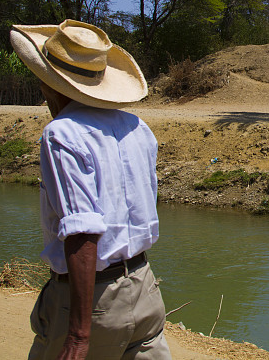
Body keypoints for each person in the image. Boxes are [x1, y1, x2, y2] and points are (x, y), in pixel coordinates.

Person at [10, 19, 172, 360]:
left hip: (93, 302)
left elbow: (83, 232)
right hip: (144, 287)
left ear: (47, 83)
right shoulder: (137, 127)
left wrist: (79, 336)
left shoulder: (62, 134)